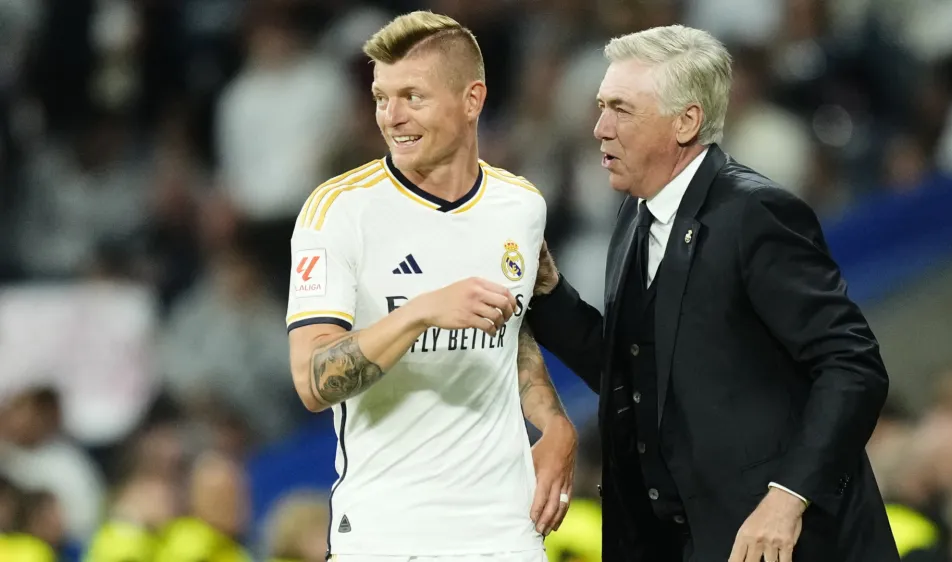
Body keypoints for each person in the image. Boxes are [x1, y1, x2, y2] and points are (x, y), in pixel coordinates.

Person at [526, 24, 899, 562]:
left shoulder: (755, 213)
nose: (599, 128)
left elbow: (853, 365)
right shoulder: (635, 214)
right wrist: (550, 292)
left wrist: (787, 499)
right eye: (601, 106)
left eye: (621, 109)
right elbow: (634, 376)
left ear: (687, 121)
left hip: (784, 541)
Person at [285, 11, 576, 562]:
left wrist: (554, 422)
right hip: (390, 535)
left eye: (412, 97)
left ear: (472, 100)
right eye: (380, 97)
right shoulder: (338, 211)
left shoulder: (520, 206)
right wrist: (419, 312)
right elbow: (312, 381)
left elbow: (510, 332)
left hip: (506, 533)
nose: (391, 117)